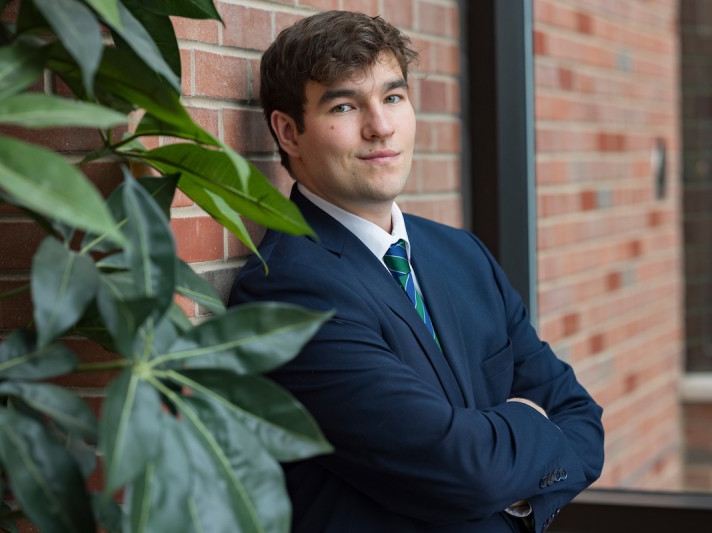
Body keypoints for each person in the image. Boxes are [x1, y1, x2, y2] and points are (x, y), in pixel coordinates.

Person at [228, 10, 604, 533]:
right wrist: (529, 423)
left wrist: (507, 478)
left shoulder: (463, 255)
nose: (380, 126)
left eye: (392, 97)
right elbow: (461, 470)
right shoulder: (288, 293)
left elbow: (582, 418)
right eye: (344, 104)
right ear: (289, 131)